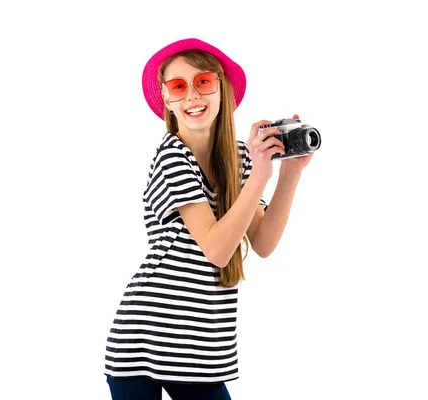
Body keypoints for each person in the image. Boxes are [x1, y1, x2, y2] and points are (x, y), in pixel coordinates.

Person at [104, 37, 314, 400]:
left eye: (203, 82)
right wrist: (261, 175)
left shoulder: (239, 158)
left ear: (223, 89)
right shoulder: (173, 156)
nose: (192, 96)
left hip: (200, 351)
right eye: (178, 86)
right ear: (167, 99)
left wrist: (289, 173)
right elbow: (216, 249)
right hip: (143, 344)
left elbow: (262, 243)